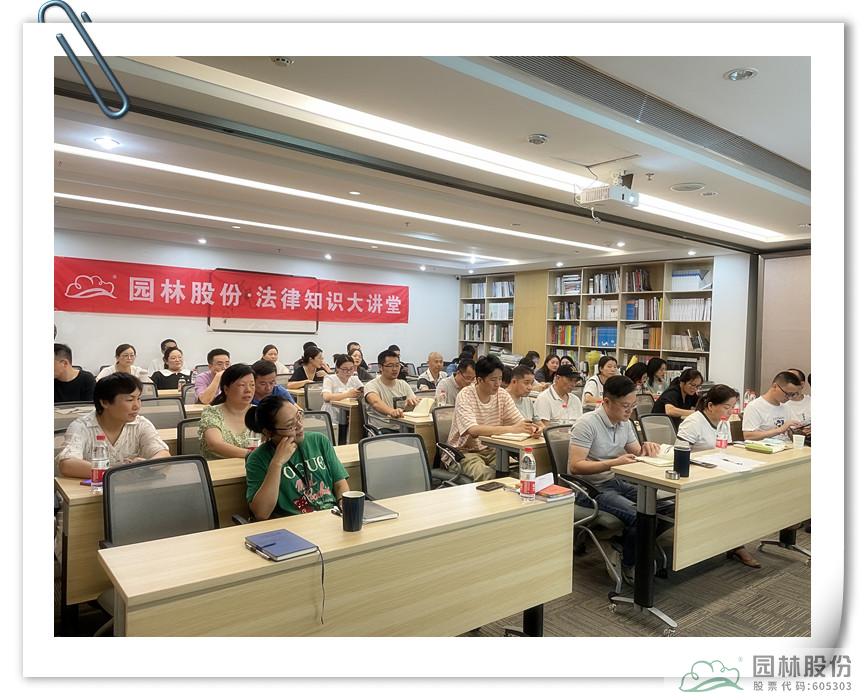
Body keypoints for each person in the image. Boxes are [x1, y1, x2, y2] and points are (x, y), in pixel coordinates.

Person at [567, 375, 663, 579]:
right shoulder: (587, 424)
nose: (630, 411)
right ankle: (628, 561)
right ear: (607, 402)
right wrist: (613, 463)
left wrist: (646, 448)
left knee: (664, 506)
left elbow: (636, 453)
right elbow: (575, 466)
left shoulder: (624, 422)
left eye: (633, 406)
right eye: (625, 406)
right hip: (590, 488)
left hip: (616, 481)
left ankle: (621, 544)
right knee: (641, 516)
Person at [676, 383, 759, 568]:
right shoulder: (694, 422)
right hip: (695, 478)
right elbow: (680, 454)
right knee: (732, 500)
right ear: (711, 405)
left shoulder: (723, 422)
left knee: (745, 494)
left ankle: (735, 543)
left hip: (717, 473)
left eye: (732, 407)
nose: (730, 412)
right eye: (726, 407)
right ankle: (731, 545)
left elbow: (725, 450)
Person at [244, 396, 350, 520]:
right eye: (290, 425)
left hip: (330, 517)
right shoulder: (258, 459)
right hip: (293, 525)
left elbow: (340, 484)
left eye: (298, 416)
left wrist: (343, 503)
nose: (299, 425)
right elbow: (261, 513)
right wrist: (276, 463)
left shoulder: (318, 441)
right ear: (269, 432)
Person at [56, 373, 170, 478]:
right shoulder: (81, 427)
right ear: (105, 402)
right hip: (93, 491)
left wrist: (147, 465)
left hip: (133, 488)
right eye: (130, 400)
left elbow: (163, 453)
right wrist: (115, 473)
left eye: (138, 398)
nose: (137, 406)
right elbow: (66, 464)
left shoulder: (141, 424)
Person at [447, 354, 540, 482]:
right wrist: (513, 429)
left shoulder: (502, 394)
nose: (498, 384)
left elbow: (520, 422)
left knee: (517, 473)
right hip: (463, 453)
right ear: (479, 380)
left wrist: (533, 429)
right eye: (493, 380)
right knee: (489, 475)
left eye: (500, 379)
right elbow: (473, 430)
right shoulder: (465, 395)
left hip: (493, 451)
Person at [198, 364, 256, 460]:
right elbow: (214, 444)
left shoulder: (259, 413)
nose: (248, 390)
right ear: (226, 389)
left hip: (254, 467)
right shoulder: (212, 413)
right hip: (219, 468)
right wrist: (254, 455)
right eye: (242, 385)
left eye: (252, 385)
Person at [363, 348, 420, 431]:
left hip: (403, 427)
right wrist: (392, 412)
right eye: (390, 366)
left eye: (397, 365)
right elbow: (375, 403)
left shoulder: (403, 384)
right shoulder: (371, 385)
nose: (395, 369)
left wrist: (410, 405)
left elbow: (411, 403)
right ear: (380, 367)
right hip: (381, 430)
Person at [742, 370, 804, 441]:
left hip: (786, 445)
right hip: (766, 446)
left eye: (793, 395)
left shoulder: (786, 406)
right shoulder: (754, 406)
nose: (789, 398)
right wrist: (779, 430)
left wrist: (797, 431)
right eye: (787, 394)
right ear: (775, 386)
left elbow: (787, 432)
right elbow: (748, 436)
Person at [322, 353, 365, 443]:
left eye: (351, 369)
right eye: (345, 369)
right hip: (332, 415)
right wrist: (347, 394)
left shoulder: (354, 379)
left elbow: (364, 392)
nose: (348, 372)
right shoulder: (330, 379)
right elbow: (326, 397)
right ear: (337, 368)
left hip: (350, 414)